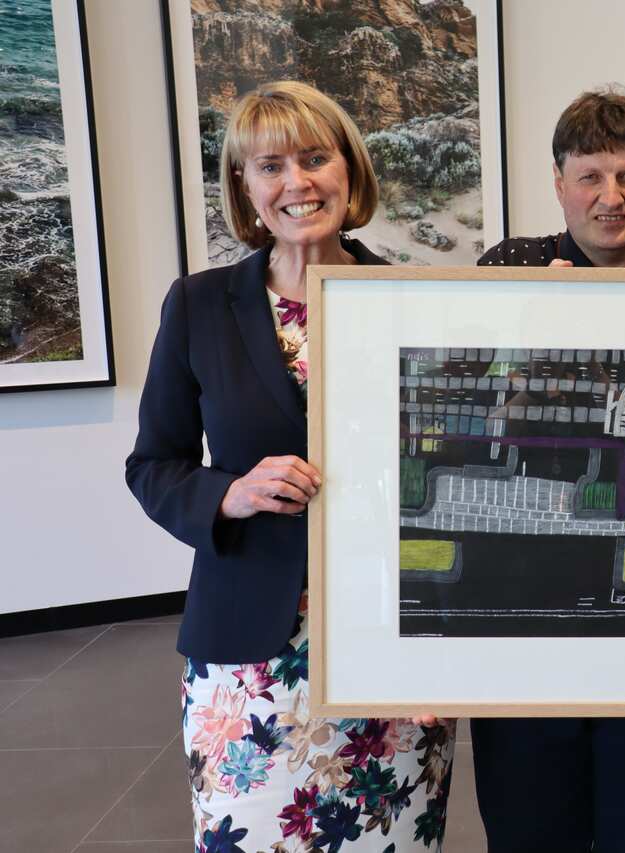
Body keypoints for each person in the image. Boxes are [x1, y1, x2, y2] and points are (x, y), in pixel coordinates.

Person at [125, 81, 453, 851]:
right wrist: (229, 493)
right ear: (245, 185)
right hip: (249, 667)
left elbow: (462, 468)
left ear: (350, 169)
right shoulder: (199, 305)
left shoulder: (418, 300)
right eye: (270, 165)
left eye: (315, 158)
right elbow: (152, 464)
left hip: (390, 649)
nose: (297, 183)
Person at [470, 87, 625, 852]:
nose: (611, 197)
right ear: (557, 181)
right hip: (523, 606)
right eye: (590, 176)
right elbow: (476, 422)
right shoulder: (509, 270)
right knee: (526, 824)